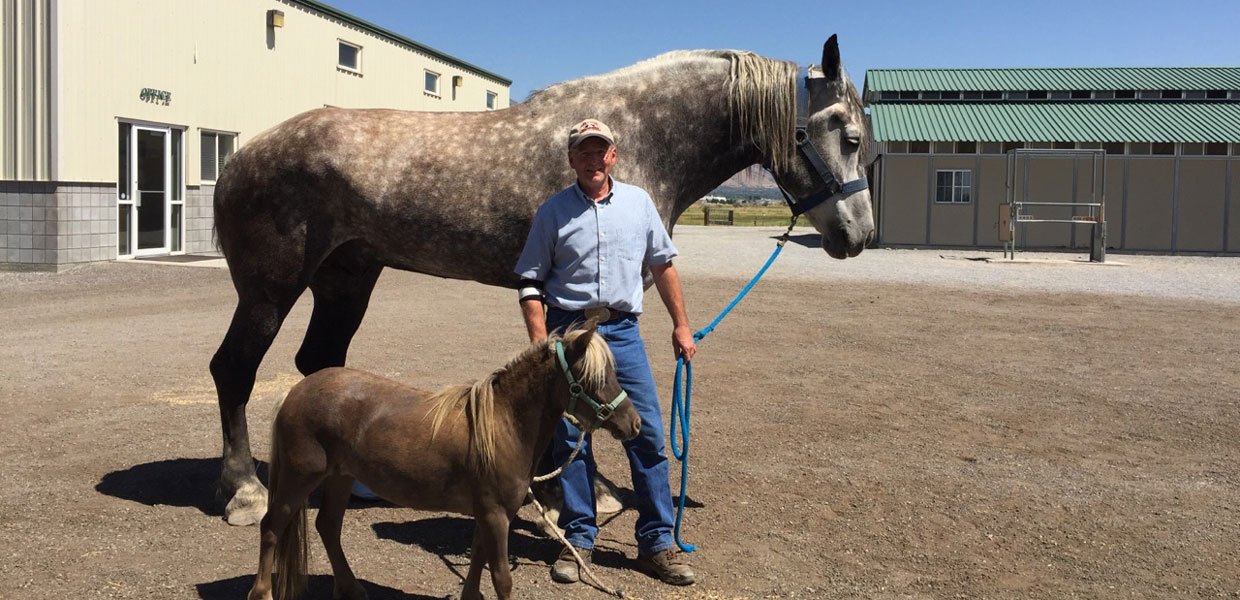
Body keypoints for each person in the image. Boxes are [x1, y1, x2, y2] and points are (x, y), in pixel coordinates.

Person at [514, 118, 697, 586]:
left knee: (646, 434)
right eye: (584, 152)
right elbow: (531, 281)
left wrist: (681, 324)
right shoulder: (552, 212)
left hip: (623, 335)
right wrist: (542, 344)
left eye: (601, 151)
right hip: (570, 335)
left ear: (613, 155)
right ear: (571, 159)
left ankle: (657, 542)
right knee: (571, 440)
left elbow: (662, 264)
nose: (593, 159)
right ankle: (579, 539)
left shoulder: (638, 203)